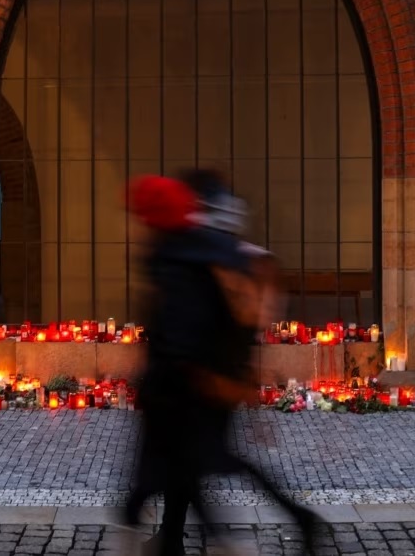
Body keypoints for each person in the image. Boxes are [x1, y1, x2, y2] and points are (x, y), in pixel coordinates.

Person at [123, 169, 318, 556]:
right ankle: (174, 539)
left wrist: (211, 371)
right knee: (193, 460)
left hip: (199, 376)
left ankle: (194, 538)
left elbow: (196, 321)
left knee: (200, 458)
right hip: (205, 374)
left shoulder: (190, 250)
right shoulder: (213, 250)